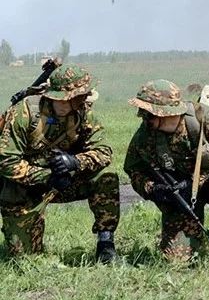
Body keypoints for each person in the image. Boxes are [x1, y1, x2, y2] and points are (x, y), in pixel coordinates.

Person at [123, 79, 209, 281]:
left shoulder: (206, 119)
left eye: (148, 112)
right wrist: (152, 189)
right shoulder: (145, 134)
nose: (142, 116)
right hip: (183, 197)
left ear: (163, 112)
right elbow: (134, 168)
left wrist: (196, 181)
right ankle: (193, 241)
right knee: (176, 261)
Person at [0, 65, 120, 262]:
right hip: (23, 189)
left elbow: (104, 152)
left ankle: (105, 243)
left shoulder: (83, 112)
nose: (87, 97)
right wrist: (47, 177)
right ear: (66, 97)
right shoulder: (24, 112)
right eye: (82, 94)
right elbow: (6, 161)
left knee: (105, 176)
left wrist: (74, 162)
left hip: (64, 182)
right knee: (24, 258)